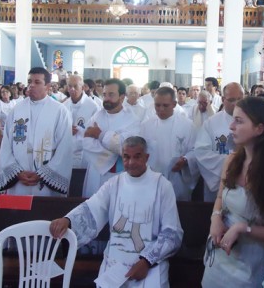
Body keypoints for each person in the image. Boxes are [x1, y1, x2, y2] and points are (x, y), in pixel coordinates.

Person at [49, 136, 183, 287]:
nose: (131, 162)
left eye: (137, 157)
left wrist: (147, 261)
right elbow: (92, 208)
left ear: (147, 157)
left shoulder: (162, 186)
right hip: (115, 267)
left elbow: (172, 233)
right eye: (126, 157)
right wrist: (68, 220)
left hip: (149, 267)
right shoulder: (114, 184)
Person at [202, 96, 264, 287]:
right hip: (220, 255)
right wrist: (216, 218)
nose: (231, 126)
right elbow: (220, 197)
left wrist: (243, 228)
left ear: (259, 129)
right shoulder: (233, 161)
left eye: (239, 121)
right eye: (233, 119)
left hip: (250, 261)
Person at [0, 67, 73, 196]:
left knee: (42, 213)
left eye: (37, 82)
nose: (31, 85)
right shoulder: (17, 110)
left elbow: (65, 147)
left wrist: (43, 174)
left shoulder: (59, 110)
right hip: (20, 175)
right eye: (29, 81)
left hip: (45, 177)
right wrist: (17, 172)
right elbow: (6, 144)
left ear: (48, 86)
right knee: (18, 214)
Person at [82, 78, 141, 197]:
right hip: (96, 174)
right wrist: (111, 150)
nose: (106, 98)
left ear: (122, 97)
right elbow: (86, 142)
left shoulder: (132, 120)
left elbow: (126, 148)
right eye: (104, 94)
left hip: (119, 174)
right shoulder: (97, 116)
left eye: (111, 94)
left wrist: (100, 135)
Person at [140, 87, 197, 201]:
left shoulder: (187, 125)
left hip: (177, 180)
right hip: (152, 180)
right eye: (157, 105)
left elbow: (196, 151)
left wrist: (186, 160)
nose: (161, 109)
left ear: (174, 104)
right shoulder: (146, 125)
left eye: (165, 105)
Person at [194, 83, 243, 201]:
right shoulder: (211, 123)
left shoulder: (252, 121)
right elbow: (201, 152)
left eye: (240, 99)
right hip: (219, 183)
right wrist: (232, 164)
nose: (236, 103)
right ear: (222, 99)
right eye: (231, 100)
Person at [63, 75, 99, 168]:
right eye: (70, 86)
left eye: (75, 86)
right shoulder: (64, 105)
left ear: (82, 87)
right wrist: (66, 129)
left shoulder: (93, 107)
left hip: (84, 154)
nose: (72, 89)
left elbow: (97, 132)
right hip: (67, 152)